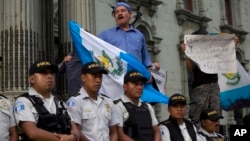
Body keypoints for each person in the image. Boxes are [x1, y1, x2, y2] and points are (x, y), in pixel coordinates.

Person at [14, 60, 79, 141]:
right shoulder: (24, 101)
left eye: (51, 73)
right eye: (44, 73)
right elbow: (32, 133)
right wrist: (61, 140)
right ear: (32, 79)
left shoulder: (60, 102)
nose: (49, 76)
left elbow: (74, 128)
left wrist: (73, 137)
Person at [98, 2, 160, 73]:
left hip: (136, 77)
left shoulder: (139, 35)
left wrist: (153, 66)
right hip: (116, 77)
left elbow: (146, 61)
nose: (120, 13)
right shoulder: (105, 35)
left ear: (130, 14)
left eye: (123, 11)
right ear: (115, 17)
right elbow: (93, 47)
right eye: (117, 12)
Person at [66, 62, 118, 141]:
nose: (98, 80)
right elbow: (76, 132)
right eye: (94, 76)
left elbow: (113, 132)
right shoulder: (75, 101)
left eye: (100, 76)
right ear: (83, 77)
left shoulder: (108, 101)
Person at [180, 28, 221, 126]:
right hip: (200, 85)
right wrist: (187, 53)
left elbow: (226, 54)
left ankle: (215, 136)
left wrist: (233, 44)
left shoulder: (213, 49)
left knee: (215, 113)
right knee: (197, 113)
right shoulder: (193, 50)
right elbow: (191, 69)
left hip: (214, 84)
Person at [115, 70, 161, 141]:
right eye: (135, 84)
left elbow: (156, 131)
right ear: (125, 87)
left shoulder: (147, 107)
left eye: (141, 84)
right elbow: (120, 135)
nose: (139, 87)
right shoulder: (118, 106)